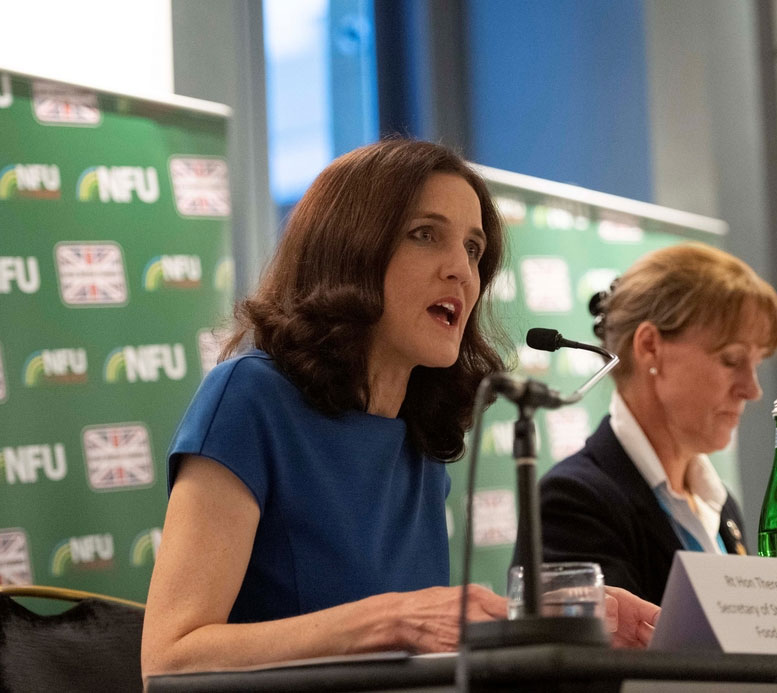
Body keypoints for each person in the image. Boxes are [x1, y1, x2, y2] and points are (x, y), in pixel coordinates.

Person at [141, 139, 659, 678]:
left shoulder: (419, 438)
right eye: (425, 235)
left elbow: (418, 645)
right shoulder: (250, 398)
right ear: (350, 250)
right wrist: (389, 620)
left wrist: (549, 623)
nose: (461, 269)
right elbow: (169, 659)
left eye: (474, 249)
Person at [522, 244, 777, 605]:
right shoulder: (573, 503)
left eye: (755, 364)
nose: (752, 390)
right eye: (731, 359)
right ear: (650, 347)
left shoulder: (722, 507)